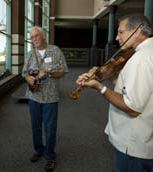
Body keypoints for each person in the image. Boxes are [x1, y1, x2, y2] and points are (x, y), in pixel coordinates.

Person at [76, 14, 153, 172]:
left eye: (121, 32)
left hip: (132, 145)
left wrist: (100, 87)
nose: (117, 38)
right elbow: (132, 87)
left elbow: (132, 108)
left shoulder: (141, 59)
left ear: (137, 31)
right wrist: (110, 76)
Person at [22, 26, 68, 171]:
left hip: (50, 96)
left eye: (36, 36)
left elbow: (63, 71)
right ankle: (38, 150)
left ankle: (50, 156)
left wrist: (49, 74)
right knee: (35, 126)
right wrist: (27, 78)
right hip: (33, 95)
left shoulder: (55, 51)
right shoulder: (30, 53)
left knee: (50, 128)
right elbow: (24, 73)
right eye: (31, 37)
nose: (33, 39)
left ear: (43, 36)